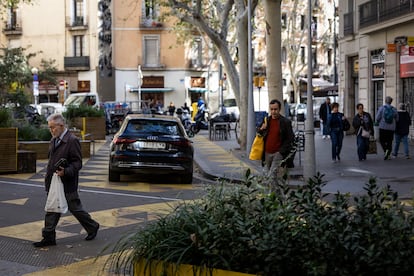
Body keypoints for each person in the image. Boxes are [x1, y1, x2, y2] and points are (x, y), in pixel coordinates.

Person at [33, 114, 99, 247]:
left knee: (75, 208)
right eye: (49, 128)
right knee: (52, 209)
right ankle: (48, 237)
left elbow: (77, 163)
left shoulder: (72, 140)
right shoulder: (54, 140)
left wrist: (66, 171)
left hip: (67, 182)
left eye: (53, 127)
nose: (51, 130)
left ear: (61, 126)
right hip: (54, 182)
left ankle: (92, 227)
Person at [259, 99, 295, 190]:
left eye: (275, 109)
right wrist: (261, 129)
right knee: (269, 177)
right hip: (266, 153)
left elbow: (290, 138)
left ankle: (274, 197)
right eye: (271, 109)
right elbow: (259, 134)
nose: (273, 112)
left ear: (279, 109)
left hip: (278, 153)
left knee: (271, 175)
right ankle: (278, 197)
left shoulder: (285, 122)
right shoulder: (267, 120)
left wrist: (281, 151)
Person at [375, 96, 398, 160]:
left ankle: (386, 151)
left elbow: (377, 118)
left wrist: (378, 121)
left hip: (383, 127)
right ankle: (388, 154)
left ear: (385, 101)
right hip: (391, 128)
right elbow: (397, 119)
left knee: (381, 140)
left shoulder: (381, 108)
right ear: (391, 102)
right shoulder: (394, 109)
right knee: (389, 141)